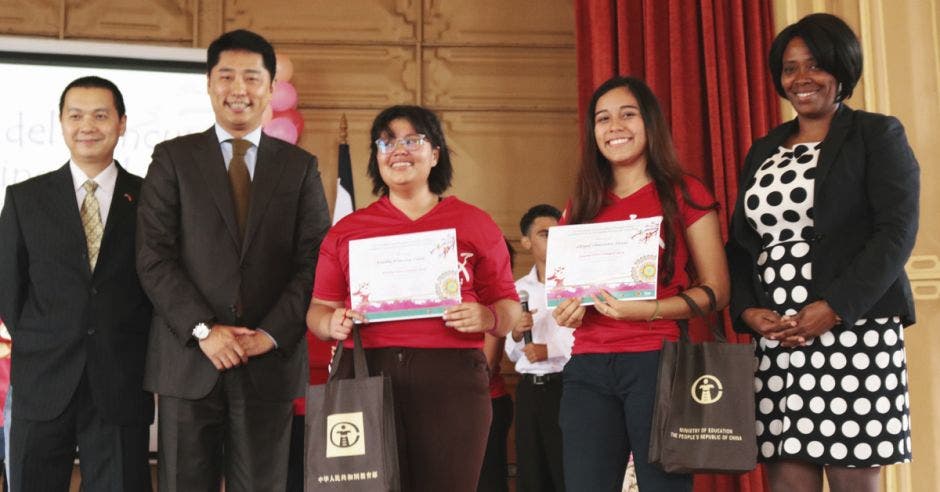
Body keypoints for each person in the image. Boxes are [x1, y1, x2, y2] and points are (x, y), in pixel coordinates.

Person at [726, 13, 919, 492]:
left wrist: (834, 309)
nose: (801, 79)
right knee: (788, 481)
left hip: (856, 331)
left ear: (842, 69)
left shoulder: (877, 134)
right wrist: (749, 311)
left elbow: (896, 232)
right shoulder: (764, 149)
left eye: (814, 65)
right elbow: (741, 245)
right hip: (779, 339)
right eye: (789, 69)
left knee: (853, 480)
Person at [136, 29, 331, 491]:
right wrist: (204, 329)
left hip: (268, 364)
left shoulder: (299, 167)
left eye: (251, 77)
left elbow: (315, 261)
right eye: (226, 76)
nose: (238, 89)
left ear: (269, 87)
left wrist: (269, 333)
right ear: (208, 84)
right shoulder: (173, 158)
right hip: (189, 360)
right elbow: (153, 257)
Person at [307, 105, 522, 491]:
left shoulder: (475, 222)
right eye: (387, 141)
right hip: (367, 371)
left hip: (451, 377)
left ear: (435, 153)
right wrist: (330, 323)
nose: (398, 150)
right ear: (376, 156)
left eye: (412, 140)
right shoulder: (348, 230)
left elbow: (509, 308)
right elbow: (319, 310)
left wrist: (487, 318)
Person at [551, 76, 730, 492]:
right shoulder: (581, 204)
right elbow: (566, 294)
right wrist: (566, 312)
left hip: (657, 363)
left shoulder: (684, 192)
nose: (614, 126)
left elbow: (718, 289)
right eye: (603, 118)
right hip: (587, 367)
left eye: (627, 115)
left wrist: (649, 309)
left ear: (650, 123)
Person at [0, 76, 153, 491]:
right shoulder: (24, 198)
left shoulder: (151, 199)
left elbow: (159, 285)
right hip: (43, 379)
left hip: (121, 378)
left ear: (121, 123)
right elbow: (9, 290)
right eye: (76, 115)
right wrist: (49, 334)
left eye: (101, 115)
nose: (88, 126)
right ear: (61, 122)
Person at [505, 204, 572, 492]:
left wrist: (551, 349)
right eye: (545, 234)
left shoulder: (576, 284)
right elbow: (510, 351)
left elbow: (590, 336)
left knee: (567, 470)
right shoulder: (516, 289)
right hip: (530, 389)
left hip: (568, 386)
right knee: (532, 473)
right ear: (526, 241)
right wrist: (518, 334)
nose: (554, 240)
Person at [477, 239, 516, 492]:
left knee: (488, 483)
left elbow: (486, 366)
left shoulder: (493, 306)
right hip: (462, 406)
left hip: (487, 403)